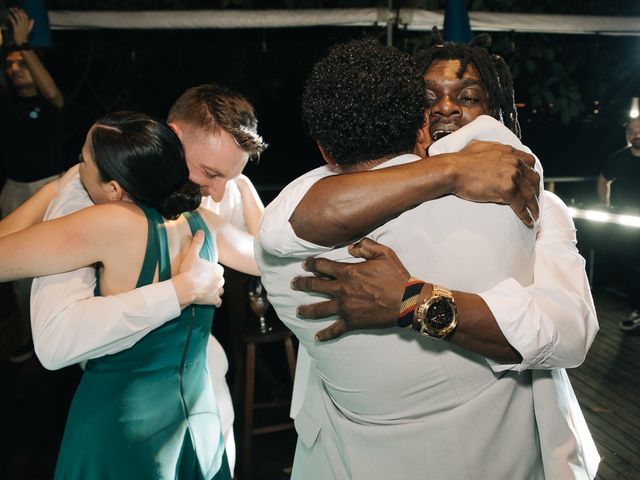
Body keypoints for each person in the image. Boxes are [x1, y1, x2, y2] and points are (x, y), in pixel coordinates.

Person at [257, 38, 598, 479]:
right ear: (417, 119)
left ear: (499, 112)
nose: (446, 110)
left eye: (468, 96)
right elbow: (282, 226)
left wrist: (412, 301)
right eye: (427, 98)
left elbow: (569, 331)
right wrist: (448, 170)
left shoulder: (531, 205)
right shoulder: (312, 207)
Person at [0, 111, 261, 478]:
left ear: (113, 189)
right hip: (195, 421)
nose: (77, 170)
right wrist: (246, 190)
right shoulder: (202, 222)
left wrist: (53, 190)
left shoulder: (111, 223)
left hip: (122, 427)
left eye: (82, 162)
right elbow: (264, 256)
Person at [0, 7, 65, 362]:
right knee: (19, 274)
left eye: (21, 62)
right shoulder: (6, 104)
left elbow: (53, 92)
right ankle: (30, 337)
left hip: (47, 187)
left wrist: (23, 44)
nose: (14, 68)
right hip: (14, 190)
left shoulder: (49, 102)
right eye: (10, 64)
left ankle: (58, 333)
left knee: (55, 265)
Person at [597, 118, 640, 331]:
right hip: (629, 226)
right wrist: (606, 206)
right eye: (632, 131)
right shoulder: (620, 158)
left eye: (639, 130)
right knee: (631, 267)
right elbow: (604, 179)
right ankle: (637, 311)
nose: (636, 134)